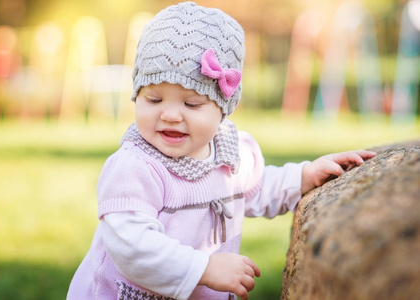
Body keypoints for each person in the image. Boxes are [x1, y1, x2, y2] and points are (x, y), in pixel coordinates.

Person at [67, 2, 376, 300]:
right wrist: (204, 268)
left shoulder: (229, 155)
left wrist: (303, 176)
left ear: (223, 109)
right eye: (154, 99)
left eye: (192, 104)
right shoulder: (134, 166)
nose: (171, 115)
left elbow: (256, 189)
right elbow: (132, 246)